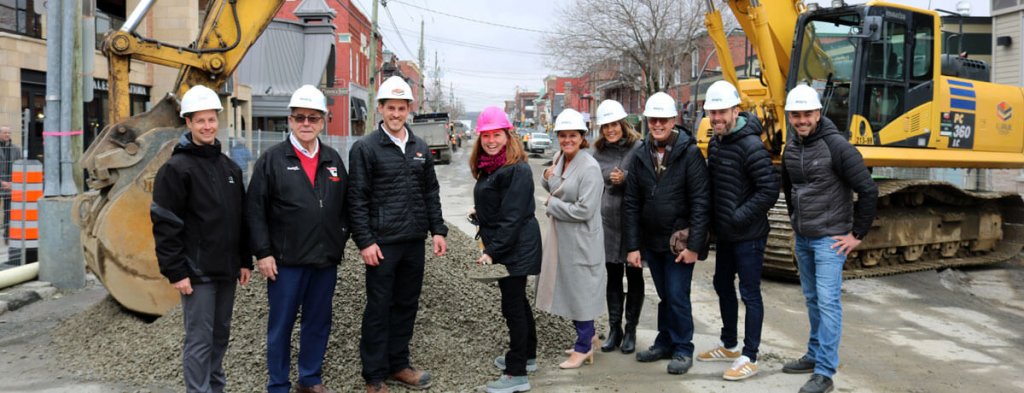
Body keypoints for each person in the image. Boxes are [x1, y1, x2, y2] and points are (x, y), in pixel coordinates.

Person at [246, 84, 349, 393]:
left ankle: (310, 379)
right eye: (300, 117)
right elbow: (254, 211)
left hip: (323, 261)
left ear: (323, 121)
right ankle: (278, 384)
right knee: (281, 327)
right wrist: (263, 252)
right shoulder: (272, 160)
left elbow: (346, 206)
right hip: (285, 263)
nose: (306, 124)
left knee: (318, 323)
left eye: (313, 118)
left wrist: (338, 240)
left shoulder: (332, 160)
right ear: (289, 120)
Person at [349, 75, 448, 393]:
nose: (395, 113)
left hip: (413, 241)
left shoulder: (420, 147)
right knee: (379, 307)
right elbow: (357, 198)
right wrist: (365, 241)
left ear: (409, 109)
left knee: (406, 304)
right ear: (380, 109)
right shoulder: (365, 148)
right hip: (382, 244)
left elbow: (430, 192)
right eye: (390, 108)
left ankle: (399, 365)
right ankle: (374, 377)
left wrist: (438, 230)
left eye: (401, 108)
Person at [150, 85, 251, 393]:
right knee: (199, 339)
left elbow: (240, 218)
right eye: (200, 121)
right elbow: (165, 224)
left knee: (220, 335)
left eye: (211, 120)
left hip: (227, 270)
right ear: (188, 123)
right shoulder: (176, 170)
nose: (207, 126)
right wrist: (176, 270)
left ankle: (215, 388)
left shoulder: (230, 168)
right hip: (196, 273)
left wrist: (245, 260)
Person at [780, 84, 878, 393]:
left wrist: (856, 235)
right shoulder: (791, 147)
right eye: (795, 115)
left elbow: (869, 190)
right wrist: (796, 222)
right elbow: (790, 186)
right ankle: (813, 354)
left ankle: (824, 371)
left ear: (818, 113)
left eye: (807, 114)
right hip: (804, 237)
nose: (801, 121)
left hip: (830, 240)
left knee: (828, 302)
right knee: (812, 300)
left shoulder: (838, 147)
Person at [695, 81, 780, 381]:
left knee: (750, 293)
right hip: (728, 234)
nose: (716, 119)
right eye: (711, 113)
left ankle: (750, 355)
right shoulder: (717, 142)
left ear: (735, 110)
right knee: (721, 283)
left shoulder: (751, 145)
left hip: (750, 234)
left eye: (721, 113)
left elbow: (769, 189)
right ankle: (729, 344)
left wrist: (738, 216)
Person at [623, 92, 710, 376]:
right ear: (648, 121)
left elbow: (700, 201)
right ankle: (665, 341)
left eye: (663, 119)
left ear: (674, 120)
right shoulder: (639, 155)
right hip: (652, 241)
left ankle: (684, 347)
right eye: (653, 119)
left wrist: (694, 245)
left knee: (677, 294)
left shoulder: (690, 153)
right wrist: (633, 246)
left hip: (678, 242)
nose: (658, 124)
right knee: (664, 295)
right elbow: (631, 203)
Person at [469, 107, 542, 393]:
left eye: (496, 134)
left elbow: (512, 218)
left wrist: (491, 252)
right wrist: (481, 212)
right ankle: (528, 355)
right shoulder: (492, 166)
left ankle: (517, 373)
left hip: (517, 245)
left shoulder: (517, 169)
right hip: (509, 242)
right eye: (485, 135)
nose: (490, 140)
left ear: (507, 135)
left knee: (512, 306)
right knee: (518, 303)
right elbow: (500, 205)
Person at [536, 108, 607, 370]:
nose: (567, 140)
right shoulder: (560, 157)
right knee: (570, 288)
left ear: (582, 137)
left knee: (581, 293)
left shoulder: (589, 168)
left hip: (581, 241)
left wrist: (552, 204)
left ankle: (583, 346)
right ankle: (590, 337)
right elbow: (558, 187)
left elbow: (584, 210)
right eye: (563, 135)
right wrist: (547, 179)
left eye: (572, 135)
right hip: (562, 239)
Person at [590, 99, 645, 355]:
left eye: (614, 124)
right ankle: (615, 330)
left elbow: (649, 178)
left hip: (632, 222)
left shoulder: (639, 147)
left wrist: (626, 179)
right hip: (608, 224)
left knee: (634, 275)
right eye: (605, 126)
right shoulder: (598, 152)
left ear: (623, 124)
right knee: (612, 277)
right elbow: (590, 180)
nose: (610, 130)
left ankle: (631, 329)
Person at [0, 126, 22, 243]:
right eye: (4, 132)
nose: (7, 134)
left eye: (9, 132)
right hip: (1, 182)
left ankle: (7, 236)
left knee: (9, 212)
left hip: (11, 185)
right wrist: (1, 182)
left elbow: (20, 167)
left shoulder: (16, 149)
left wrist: (13, 182)